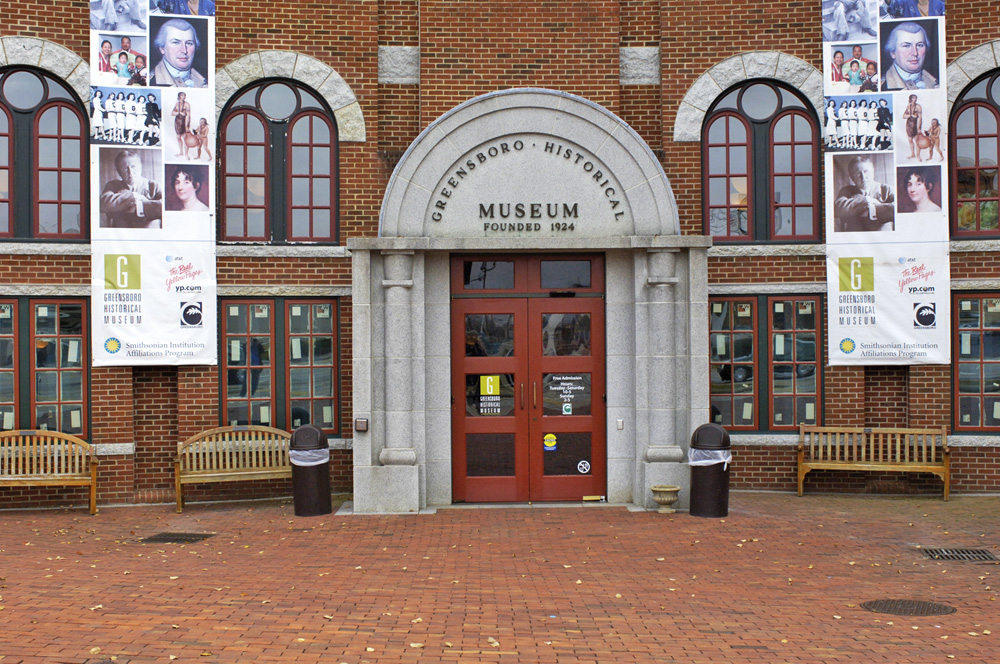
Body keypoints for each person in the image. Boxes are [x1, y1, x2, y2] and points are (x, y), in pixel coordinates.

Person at [99, 150, 163, 229]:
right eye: (125, 169)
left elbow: (164, 208)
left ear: (140, 167)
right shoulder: (113, 186)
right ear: (119, 172)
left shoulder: (154, 186)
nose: (130, 172)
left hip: (149, 233)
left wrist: (140, 203)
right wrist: (134, 196)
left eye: (133, 167)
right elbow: (102, 204)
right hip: (122, 234)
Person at [834, 155, 895, 232]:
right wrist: (867, 200)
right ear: (851, 177)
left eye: (866, 171)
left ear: (873, 172)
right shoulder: (847, 191)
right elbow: (836, 209)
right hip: (855, 236)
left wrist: (870, 209)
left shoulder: (887, 189)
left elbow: (896, 210)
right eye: (857, 173)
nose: (863, 177)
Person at [150, 19, 207, 88]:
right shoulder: (151, 81)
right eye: (176, 42)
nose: (184, 50)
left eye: (189, 43)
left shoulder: (205, 81)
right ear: (162, 48)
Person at [882, 21, 938, 90]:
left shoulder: (936, 83)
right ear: (893, 52)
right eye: (906, 46)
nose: (915, 53)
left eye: (920, 45)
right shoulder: (882, 86)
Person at [171, 91, 192, 158]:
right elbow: (172, 113)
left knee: (185, 138)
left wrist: (186, 125)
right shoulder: (177, 103)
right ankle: (181, 152)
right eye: (182, 95)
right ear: (179, 96)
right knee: (178, 137)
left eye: (184, 95)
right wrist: (179, 112)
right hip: (177, 121)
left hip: (184, 121)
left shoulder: (186, 104)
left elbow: (188, 115)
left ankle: (186, 153)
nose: (184, 97)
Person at [903, 94, 923, 159]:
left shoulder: (918, 106)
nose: (915, 99)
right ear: (910, 99)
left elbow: (920, 118)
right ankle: (912, 154)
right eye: (913, 98)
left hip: (915, 124)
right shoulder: (908, 106)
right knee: (910, 140)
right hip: (909, 124)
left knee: (917, 141)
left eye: (915, 98)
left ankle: (918, 155)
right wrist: (910, 115)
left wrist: (918, 128)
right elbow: (904, 116)